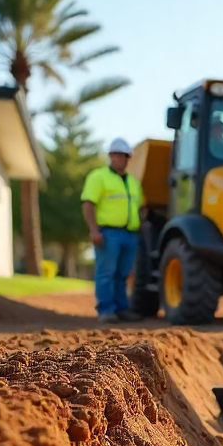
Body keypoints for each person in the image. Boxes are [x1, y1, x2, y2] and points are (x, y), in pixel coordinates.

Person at [81, 137, 146, 323]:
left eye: (123, 155)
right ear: (110, 156)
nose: (118, 158)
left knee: (122, 275)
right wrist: (94, 230)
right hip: (108, 234)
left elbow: (140, 206)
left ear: (127, 158)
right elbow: (88, 204)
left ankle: (121, 308)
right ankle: (106, 309)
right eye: (115, 155)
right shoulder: (98, 177)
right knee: (106, 273)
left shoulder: (133, 182)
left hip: (129, 235)